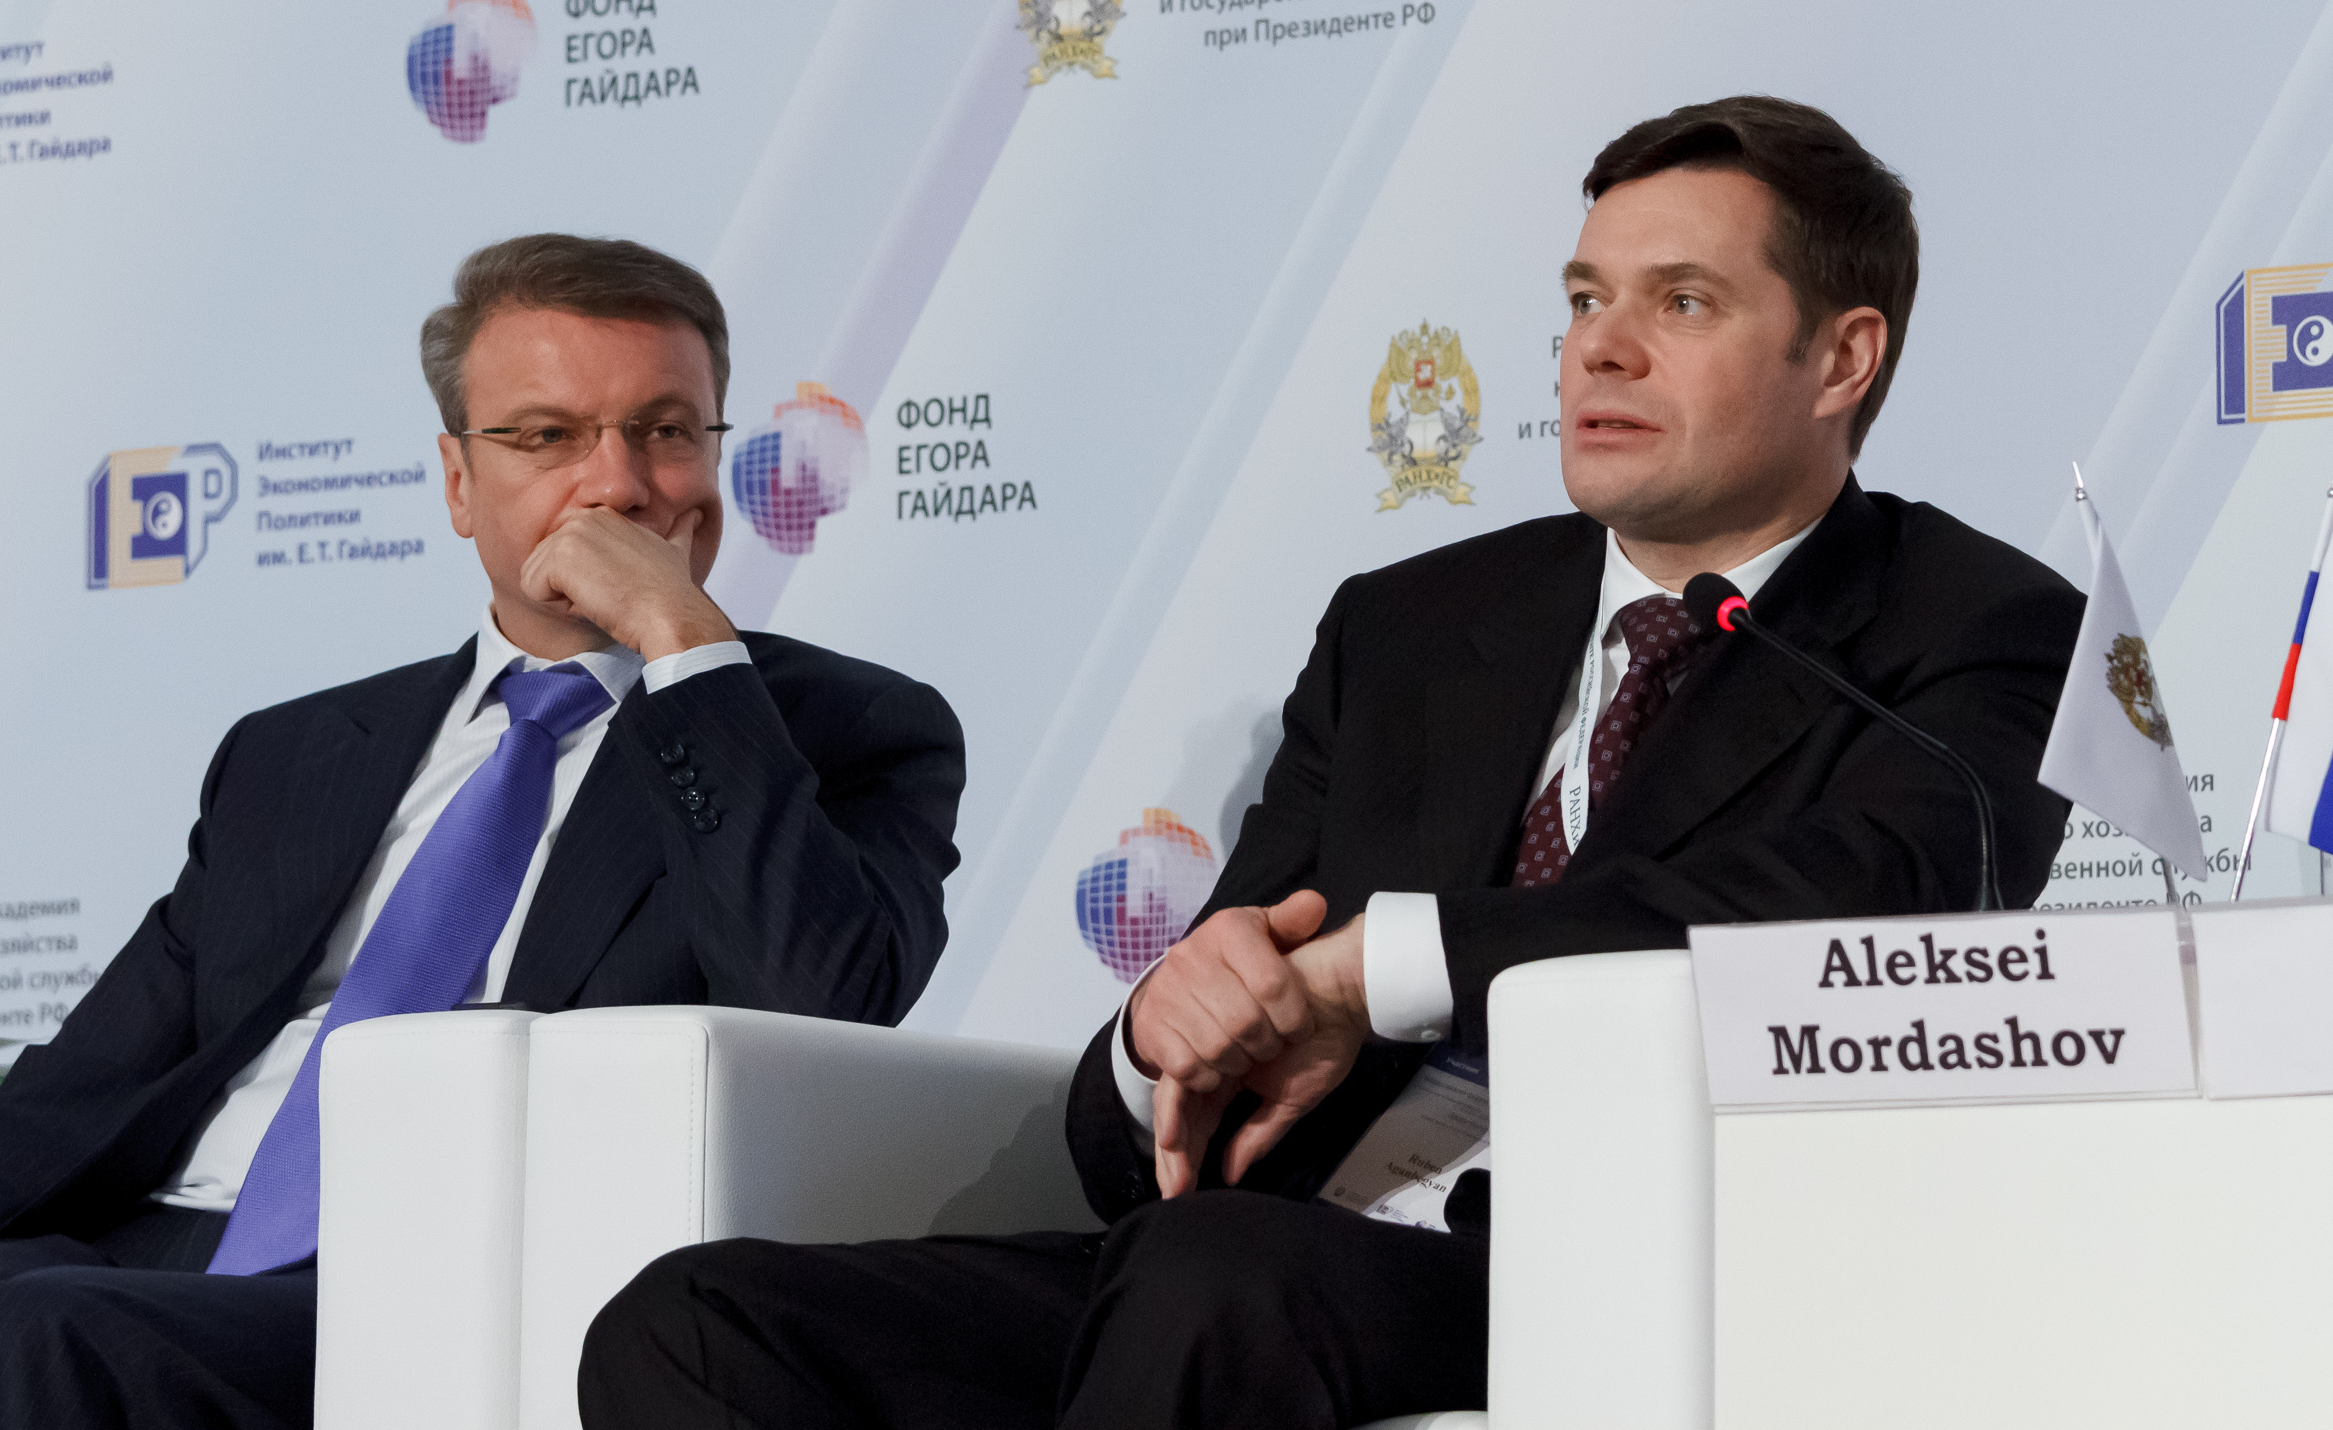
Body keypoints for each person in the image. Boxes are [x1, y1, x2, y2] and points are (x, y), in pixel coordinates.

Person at [577, 96, 2083, 1429]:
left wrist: (1380, 968)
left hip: (1630, 1274)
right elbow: (1185, 1076)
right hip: (1246, 1261)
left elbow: (1853, 908)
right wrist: (1164, 1033)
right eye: (1582, 298)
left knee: (1214, 1277)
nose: (1599, 347)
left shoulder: (1973, 628)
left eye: (1680, 301)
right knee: (698, 1326)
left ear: (1841, 358)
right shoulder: (1414, 625)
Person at [0, 235, 964, 1429]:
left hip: (457, 1282)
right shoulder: (296, 751)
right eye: (548, 436)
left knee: (54, 1331)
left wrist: (683, 644)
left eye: (664, 430)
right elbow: (91, 1081)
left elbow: (823, 1005)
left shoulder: (840, 729)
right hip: (149, 1246)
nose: (617, 485)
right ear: (457, 481)